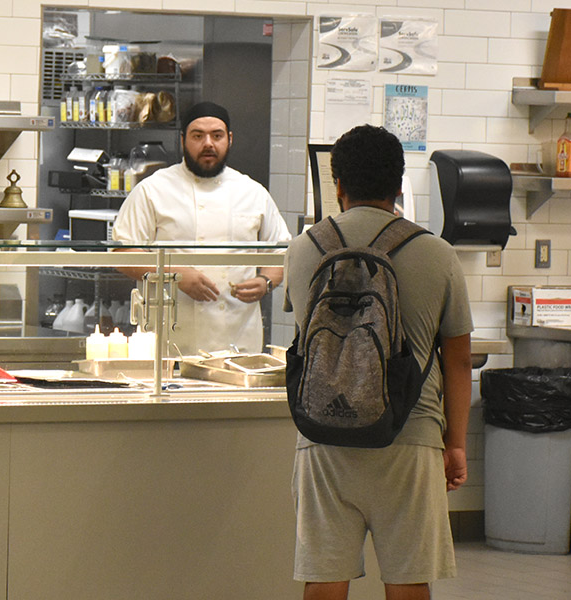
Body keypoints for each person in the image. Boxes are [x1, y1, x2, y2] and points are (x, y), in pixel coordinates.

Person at [282, 124, 473, 600]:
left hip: (323, 436)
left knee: (324, 575)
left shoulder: (303, 249)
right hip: (411, 437)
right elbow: (458, 360)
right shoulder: (437, 254)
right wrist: (455, 444)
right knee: (408, 578)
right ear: (399, 185)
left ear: (338, 184)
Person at [111, 101, 291, 356]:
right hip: (171, 342)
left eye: (217, 136)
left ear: (229, 139)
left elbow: (282, 252)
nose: (208, 143)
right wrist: (174, 273)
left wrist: (266, 282)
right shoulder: (153, 190)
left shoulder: (252, 192)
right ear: (183, 140)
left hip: (239, 344)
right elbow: (122, 253)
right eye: (198, 136)